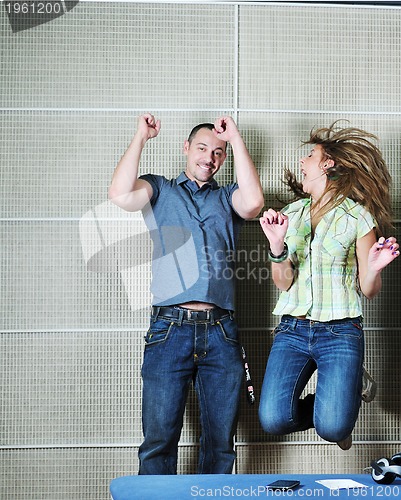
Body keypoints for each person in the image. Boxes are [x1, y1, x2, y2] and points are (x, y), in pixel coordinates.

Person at [108, 113, 264, 474]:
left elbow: (254, 202)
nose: (209, 157)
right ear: (186, 149)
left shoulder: (229, 198)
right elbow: (119, 194)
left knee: (220, 445)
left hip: (220, 331)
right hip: (169, 329)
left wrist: (235, 139)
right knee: (159, 442)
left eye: (218, 152)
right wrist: (141, 136)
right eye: (202, 148)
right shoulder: (160, 188)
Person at [258, 122, 399, 450]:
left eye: (310, 155)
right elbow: (284, 282)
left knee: (333, 427)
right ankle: (341, 393)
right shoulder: (291, 215)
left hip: (340, 331)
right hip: (293, 329)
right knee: (273, 419)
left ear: (327, 163)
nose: (303, 162)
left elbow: (368, 289)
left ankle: (340, 402)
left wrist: (374, 268)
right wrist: (277, 247)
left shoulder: (360, 218)